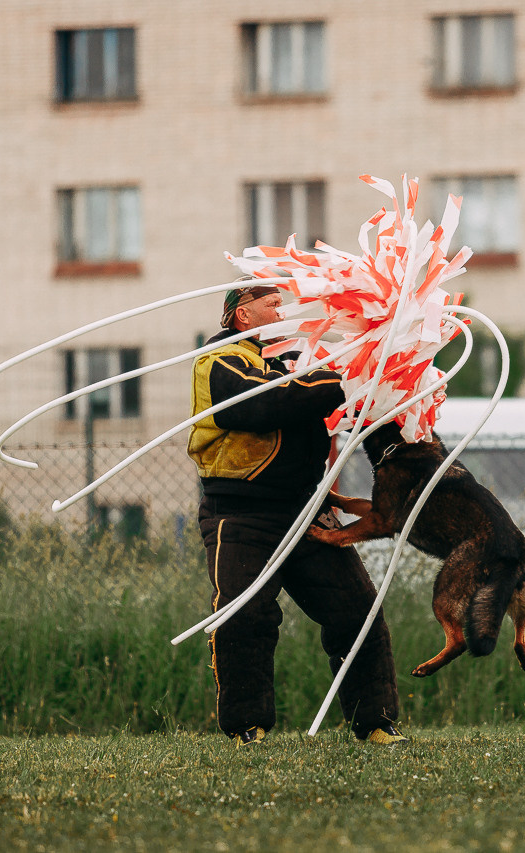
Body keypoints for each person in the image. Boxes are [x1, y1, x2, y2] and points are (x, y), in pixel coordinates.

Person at [187, 283, 405, 746]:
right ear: (242, 316)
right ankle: (248, 727)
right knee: (244, 617)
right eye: (272, 304)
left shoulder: (301, 356)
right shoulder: (220, 360)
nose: (282, 311)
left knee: (356, 612)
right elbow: (260, 403)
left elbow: (341, 407)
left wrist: (382, 373)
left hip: (308, 509)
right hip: (240, 512)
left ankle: (376, 724)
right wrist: (341, 379)